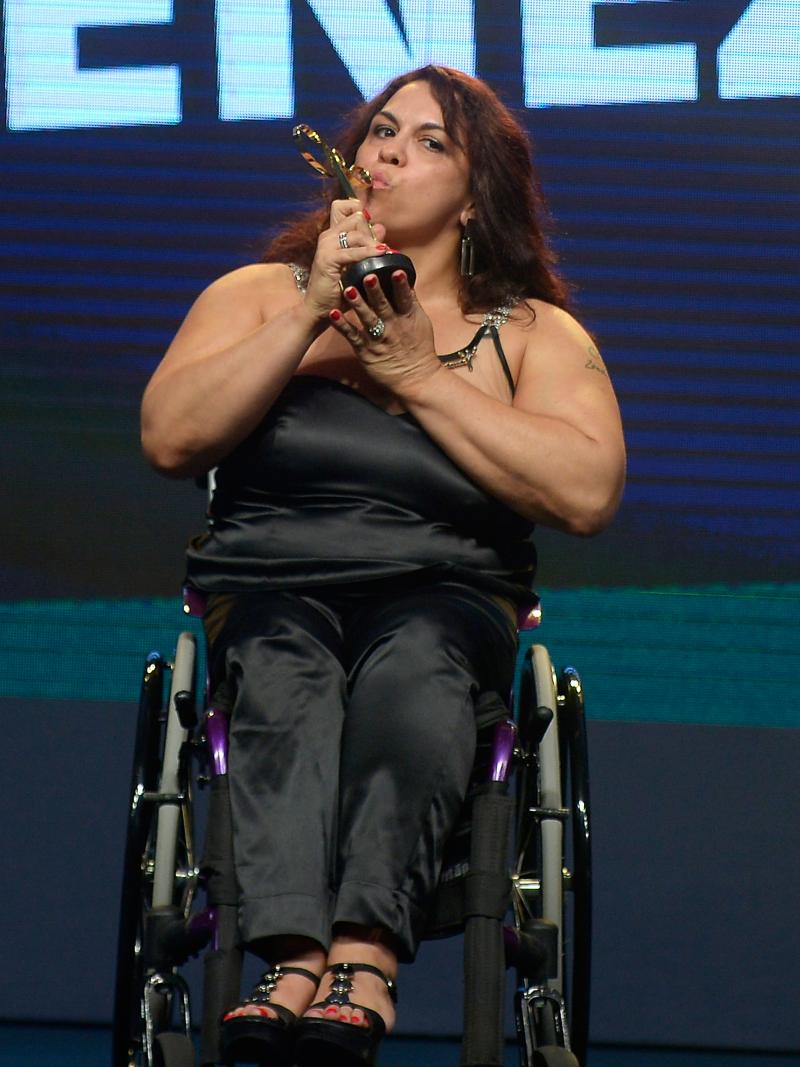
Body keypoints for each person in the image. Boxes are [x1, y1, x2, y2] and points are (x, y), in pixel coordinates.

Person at [141, 64, 625, 1067]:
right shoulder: (254, 295)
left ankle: (364, 958)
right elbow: (170, 437)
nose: (388, 153)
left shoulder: (533, 333)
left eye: (428, 141)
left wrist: (416, 373)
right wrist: (310, 309)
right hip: (271, 581)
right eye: (379, 132)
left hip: (444, 594)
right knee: (281, 670)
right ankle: (289, 956)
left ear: (477, 189)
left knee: (414, 666)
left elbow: (583, 492)